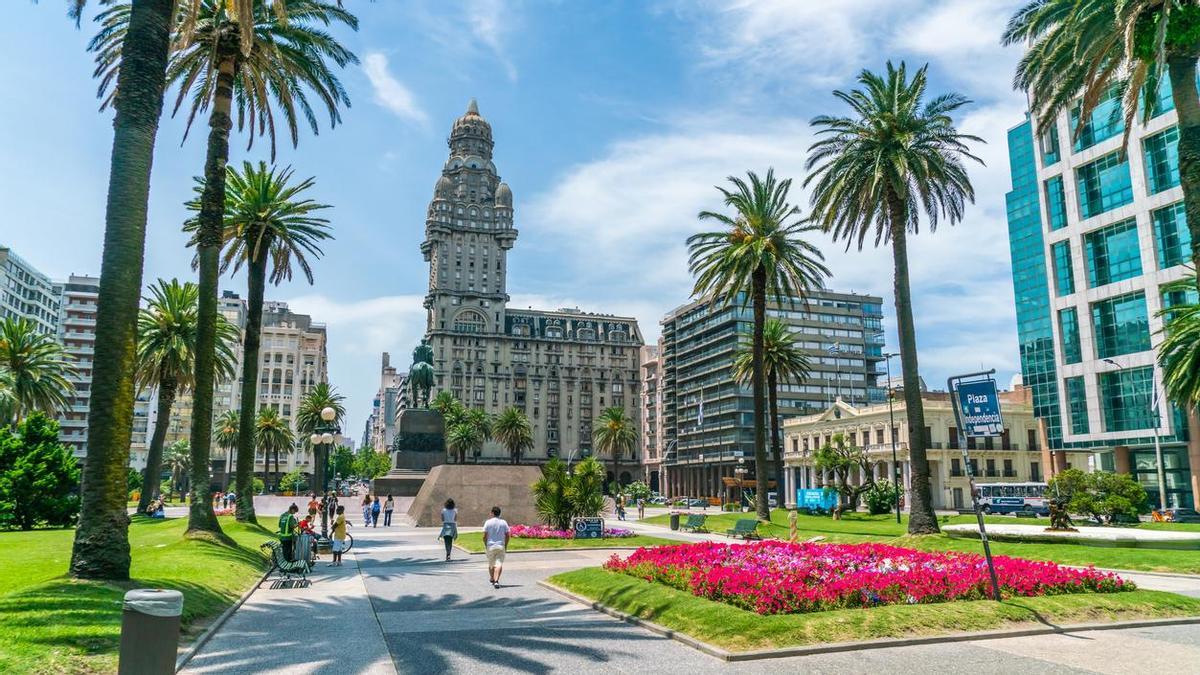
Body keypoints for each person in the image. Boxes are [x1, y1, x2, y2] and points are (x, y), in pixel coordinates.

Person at [482, 506, 510, 589]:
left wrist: (485, 544)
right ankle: (496, 580)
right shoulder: (503, 522)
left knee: (491, 563)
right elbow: (508, 535)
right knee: (499, 564)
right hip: (501, 545)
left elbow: (484, 536)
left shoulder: (488, 522)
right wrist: (506, 544)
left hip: (490, 545)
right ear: (499, 513)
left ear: (492, 513)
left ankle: (492, 578)